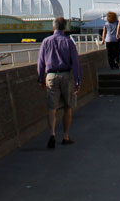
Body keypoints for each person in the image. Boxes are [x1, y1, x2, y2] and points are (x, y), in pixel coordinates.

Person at [38, 17, 82, 149]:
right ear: (65, 27)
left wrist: (41, 78)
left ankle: (52, 133)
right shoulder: (68, 42)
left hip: (51, 75)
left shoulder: (46, 42)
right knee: (67, 107)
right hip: (66, 75)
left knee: (52, 108)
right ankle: (65, 136)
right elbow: (76, 63)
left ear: (54, 27)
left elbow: (40, 62)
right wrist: (77, 80)